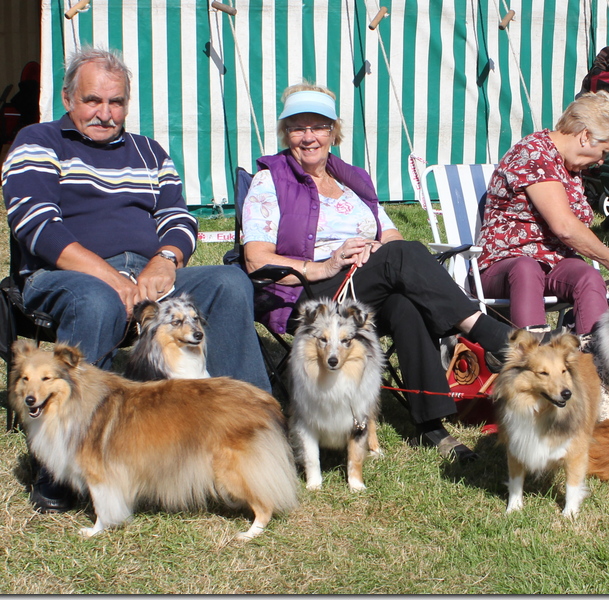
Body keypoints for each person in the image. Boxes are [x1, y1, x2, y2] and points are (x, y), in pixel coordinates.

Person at [2, 47, 271, 512]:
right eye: (93, 101)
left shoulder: (149, 151)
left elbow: (179, 220)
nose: (105, 114)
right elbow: (36, 224)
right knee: (98, 302)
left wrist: (166, 259)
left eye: (117, 102)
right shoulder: (38, 140)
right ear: (68, 98)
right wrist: (112, 278)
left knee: (230, 283)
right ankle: (62, 469)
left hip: (149, 276)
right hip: (63, 275)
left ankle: (249, 431)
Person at [241, 81, 515, 463]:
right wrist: (329, 263)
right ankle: (489, 334)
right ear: (285, 133)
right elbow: (257, 260)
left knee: (403, 301)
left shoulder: (351, 179)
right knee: (401, 257)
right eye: (297, 127)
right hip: (311, 295)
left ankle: (431, 426)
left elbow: (393, 236)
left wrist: (374, 249)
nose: (308, 137)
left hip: (366, 284)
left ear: (333, 132)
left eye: (318, 126)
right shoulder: (270, 181)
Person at [476, 91, 609, 336]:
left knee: (589, 276)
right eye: (604, 152)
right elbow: (565, 227)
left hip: (553, 266)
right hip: (504, 268)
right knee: (526, 268)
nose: (601, 161)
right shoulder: (533, 154)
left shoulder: (569, 166)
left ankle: (595, 365)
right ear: (585, 136)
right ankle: (532, 362)